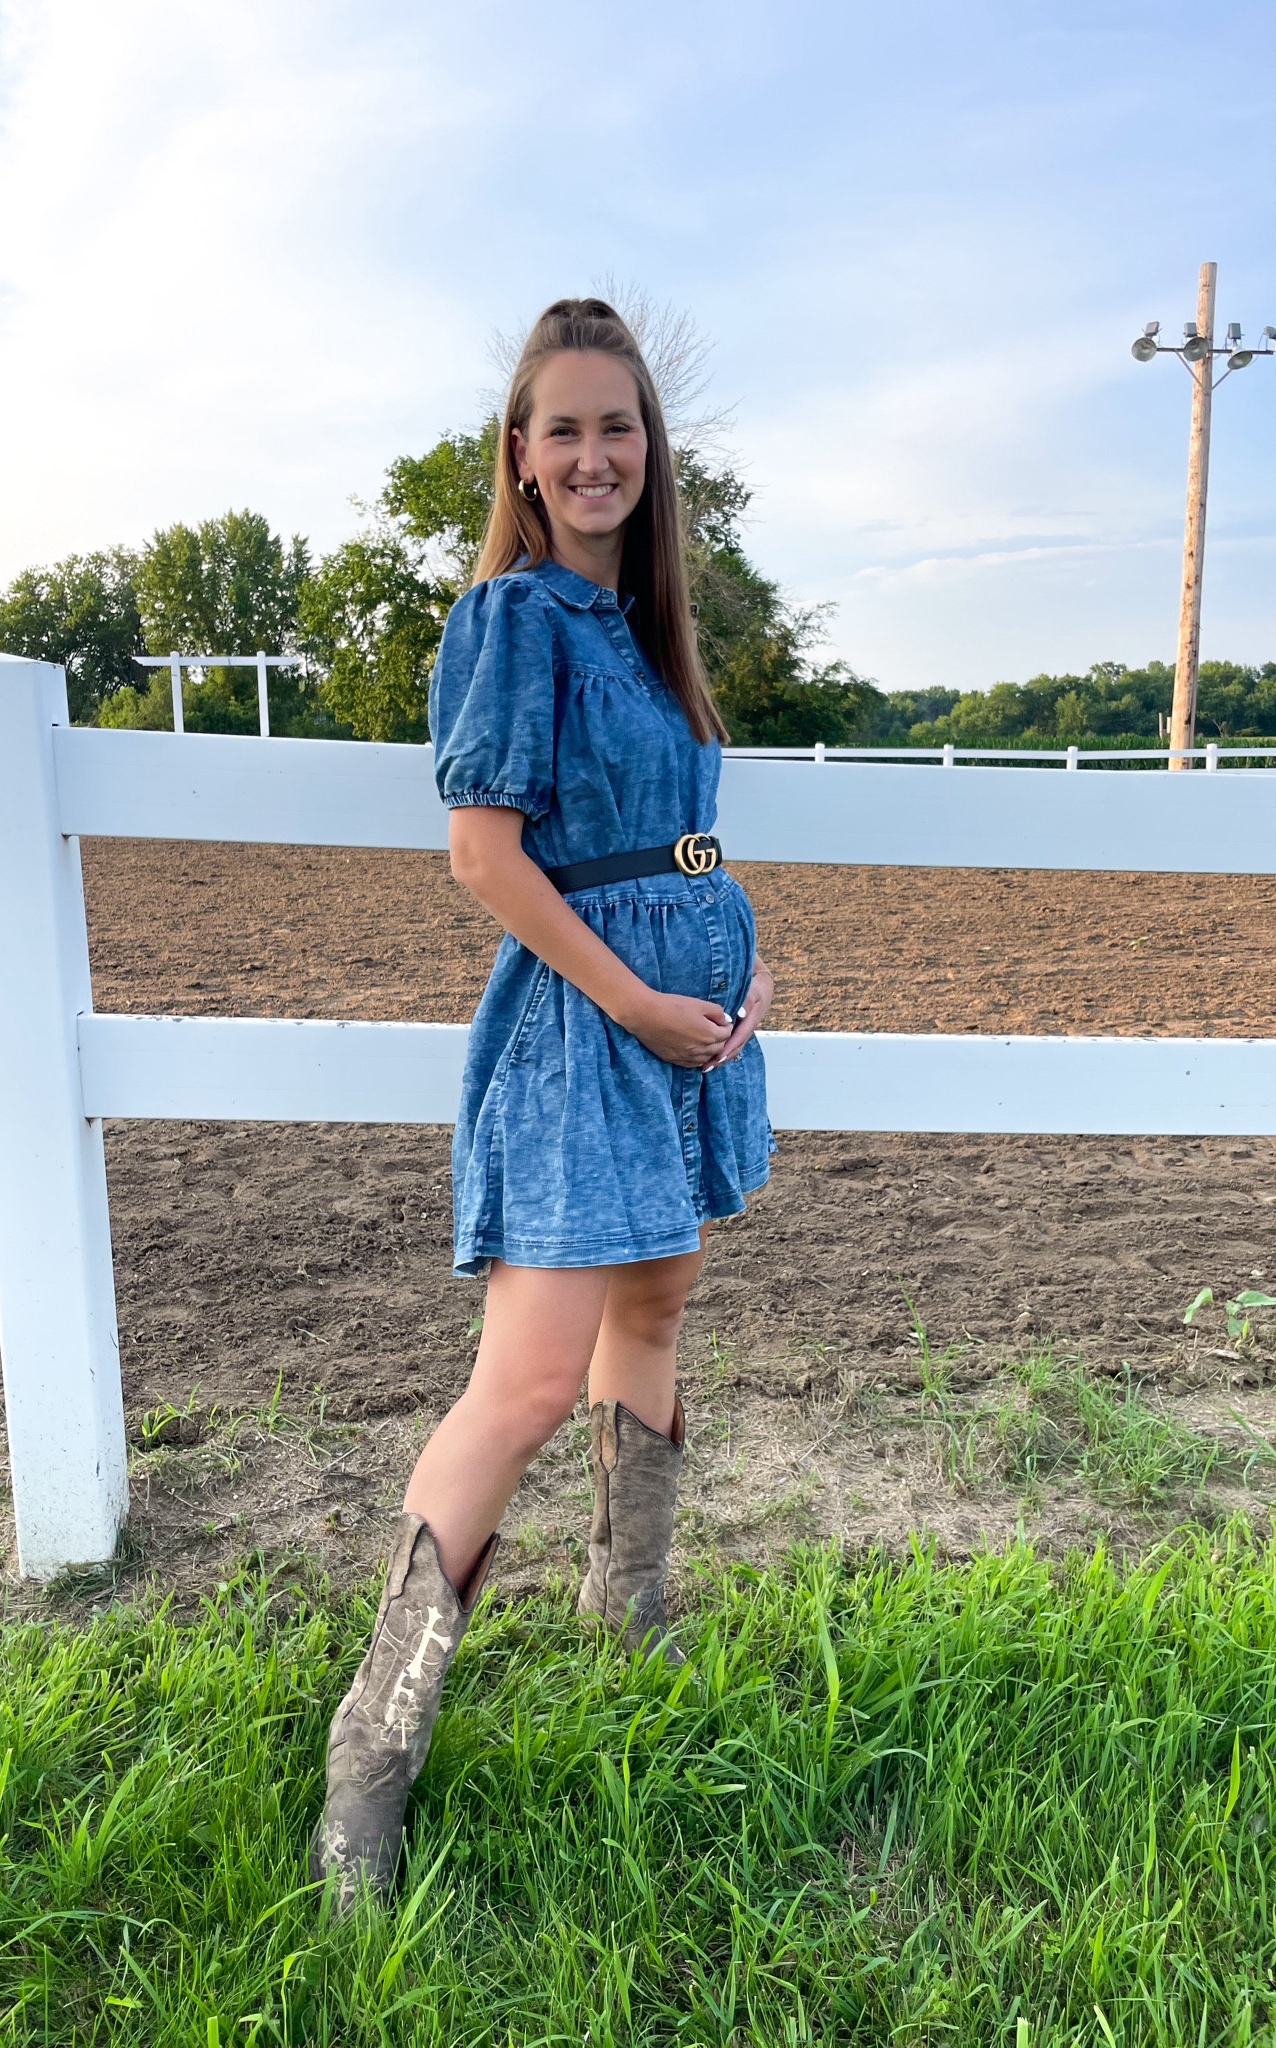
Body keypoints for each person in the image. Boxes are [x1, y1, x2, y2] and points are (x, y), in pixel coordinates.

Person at [311, 298, 775, 1909]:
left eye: (620, 427)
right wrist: (641, 994)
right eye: (565, 428)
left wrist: (737, 965)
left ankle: (625, 1613)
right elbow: (485, 854)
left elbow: (679, 849)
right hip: (586, 1034)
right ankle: (368, 1757)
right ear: (521, 454)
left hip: (681, 1025)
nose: (595, 454)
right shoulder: (510, 619)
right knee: (521, 1385)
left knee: (657, 1307)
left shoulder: (645, 634)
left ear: (655, 453)